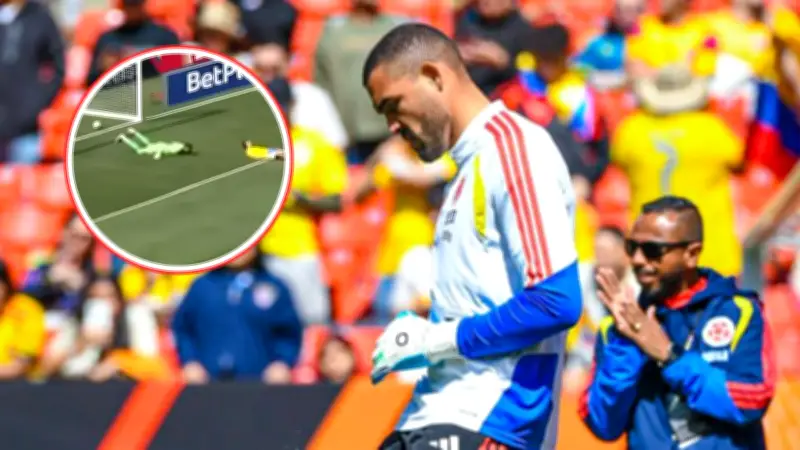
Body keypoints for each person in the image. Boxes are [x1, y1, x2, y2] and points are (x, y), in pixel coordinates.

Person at [363, 23, 582, 449]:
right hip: (436, 410)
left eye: (393, 105)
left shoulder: (514, 150)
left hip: (491, 419)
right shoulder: (466, 168)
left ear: (433, 76)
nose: (390, 125)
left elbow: (556, 301)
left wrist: (436, 339)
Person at [579, 196, 775, 449]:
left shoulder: (738, 312)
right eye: (631, 247)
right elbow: (602, 424)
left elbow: (752, 400)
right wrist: (627, 347)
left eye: (652, 250)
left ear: (691, 254)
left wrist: (670, 356)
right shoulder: (616, 328)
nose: (637, 259)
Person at [612, 64, 743, 276]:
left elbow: (618, 162)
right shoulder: (712, 129)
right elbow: (739, 161)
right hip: (709, 254)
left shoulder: (632, 130)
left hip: (651, 255)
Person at [257, 77, 348, 325]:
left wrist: (299, 198)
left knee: (312, 321)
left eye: (281, 105)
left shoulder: (314, 143)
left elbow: (337, 199)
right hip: (261, 253)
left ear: (293, 104)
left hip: (303, 249)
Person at [171, 247, 302, 384]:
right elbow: (183, 328)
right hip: (207, 381)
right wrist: (189, 361)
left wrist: (282, 363)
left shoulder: (273, 286)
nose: (240, 252)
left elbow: (289, 332)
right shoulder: (202, 286)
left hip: (259, 382)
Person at [0, 0, 64, 163]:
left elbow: (58, 66)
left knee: (25, 176)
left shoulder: (39, 17)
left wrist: (37, 102)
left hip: (25, 128)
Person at [86, 0, 179, 86]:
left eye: (135, 4)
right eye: (128, 4)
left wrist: (141, 62)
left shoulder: (165, 36)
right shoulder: (107, 39)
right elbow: (91, 81)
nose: (132, 9)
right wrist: (105, 69)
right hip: (118, 93)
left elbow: (176, 77)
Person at [115, 128, 194, 160]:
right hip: (159, 147)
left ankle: (133, 132)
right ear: (185, 148)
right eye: (188, 149)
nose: (187, 150)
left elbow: (173, 142)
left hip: (161, 144)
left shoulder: (180, 144)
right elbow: (162, 149)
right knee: (139, 150)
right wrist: (158, 154)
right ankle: (123, 137)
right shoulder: (176, 150)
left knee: (148, 143)